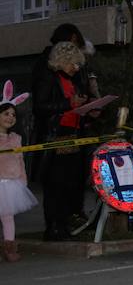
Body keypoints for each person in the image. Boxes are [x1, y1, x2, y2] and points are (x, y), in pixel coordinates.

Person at [33, 42, 87, 241]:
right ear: (62, 61)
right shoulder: (49, 78)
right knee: (55, 183)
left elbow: (76, 105)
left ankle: (62, 225)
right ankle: (53, 227)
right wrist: (68, 104)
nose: (76, 68)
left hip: (73, 135)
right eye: (73, 63)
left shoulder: (74, 81)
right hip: (55, 136)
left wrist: (89, 109)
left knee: (68, 183)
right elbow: (39, 107)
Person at [0, 81, 37, 261]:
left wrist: (23, 180)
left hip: (11, 184)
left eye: (13, 114)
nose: (10, 117)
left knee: (8, 217)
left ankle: (9, 248)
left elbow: (20, 160)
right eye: (6, 113)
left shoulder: (16, 138)